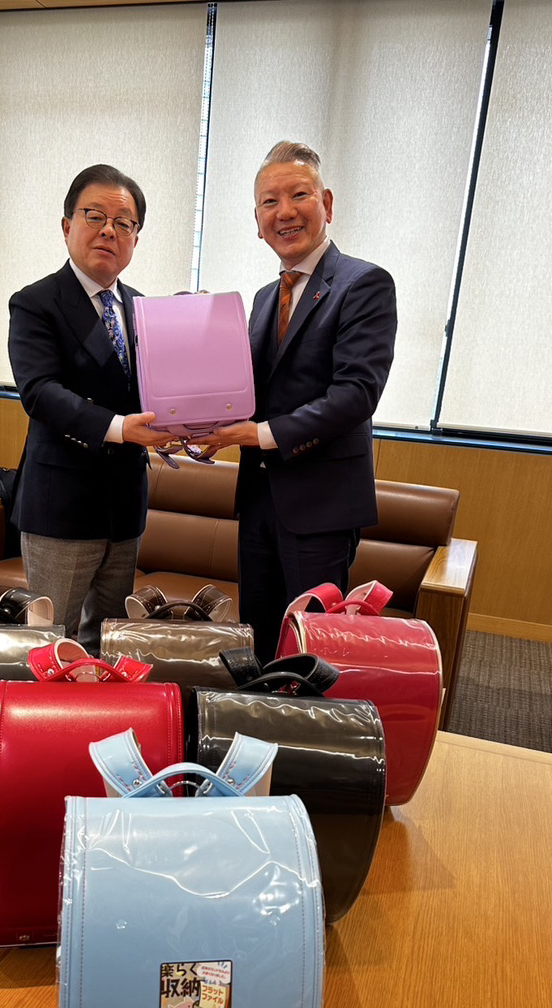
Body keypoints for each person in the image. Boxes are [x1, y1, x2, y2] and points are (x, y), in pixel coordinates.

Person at [208, 141, 398, 663]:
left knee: (311, 647)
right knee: (259, 638)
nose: (284, 212)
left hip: (321, 505)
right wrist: (206, 429)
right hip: (259, 499)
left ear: (327, 203)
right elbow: (250, 395)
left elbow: (357, 394)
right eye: (269, 202)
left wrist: (259, 434)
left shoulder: (364, 284)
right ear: (257, 220)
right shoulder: (264, 299)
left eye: (299, 195)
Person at [7, 164, 170, 651]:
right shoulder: (36, 303)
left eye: (124, 223)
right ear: (67, 225)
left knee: (110, 642)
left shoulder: (143, 309)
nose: (108, 231)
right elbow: (40, 392)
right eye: (95, 216)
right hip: (63, 504)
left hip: (124, 505)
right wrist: (119, 427)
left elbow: (156, 393)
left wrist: (185, 419)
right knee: (52, 643)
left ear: (136, 238)